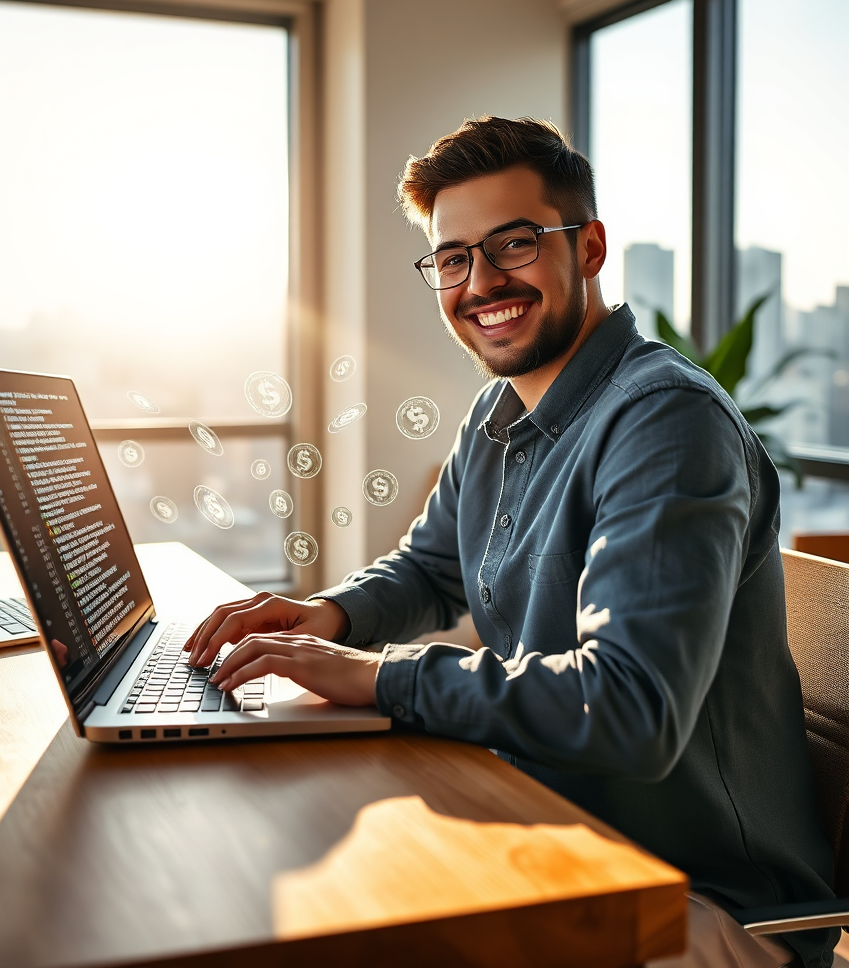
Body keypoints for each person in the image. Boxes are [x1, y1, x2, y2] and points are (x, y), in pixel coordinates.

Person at [183, 117, 836, 968]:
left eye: (514, 244)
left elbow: (629, 707)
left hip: (695, 902)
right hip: (554, 828)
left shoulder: (666, 422)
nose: (481, 281)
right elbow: (430, 567)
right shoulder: (499, 416)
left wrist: (382, 676)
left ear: (590, 247)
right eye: (453, 258)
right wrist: (329, 618)